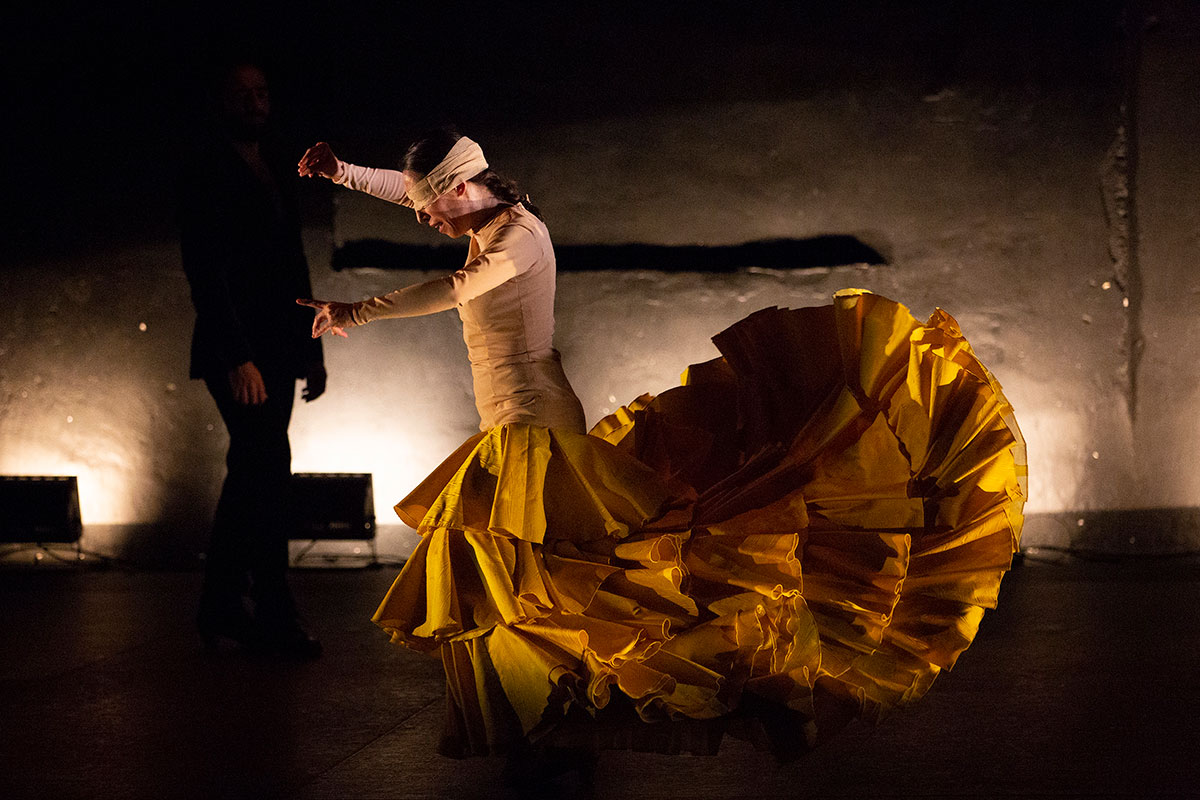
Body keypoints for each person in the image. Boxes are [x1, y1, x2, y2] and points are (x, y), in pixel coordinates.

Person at [297, 129, 1027, 781]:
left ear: (460, 187)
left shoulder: (516, 237)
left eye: (429, 205)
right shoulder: (481, 215)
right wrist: (342, 173)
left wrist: (355, 310)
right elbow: (408, 193)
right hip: (511, 415)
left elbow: (455, 289)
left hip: (531, 419)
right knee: (535, 581)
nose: (422, 217)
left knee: (534, 574)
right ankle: (553, 722)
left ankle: (566, 721)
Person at [178, 60, 325, 658]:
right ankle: (269, 607)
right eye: (243, 95)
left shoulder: (275, 165)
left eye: (262, 92)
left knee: (256, 470)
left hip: (278, 345)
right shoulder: (206, 168)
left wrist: (311, 346)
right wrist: (237, 357)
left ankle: (224, 604)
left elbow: (292, 261)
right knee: (263, 468)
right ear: (220, 102)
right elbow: (205, 271)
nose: (256, 103)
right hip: (237, 349)